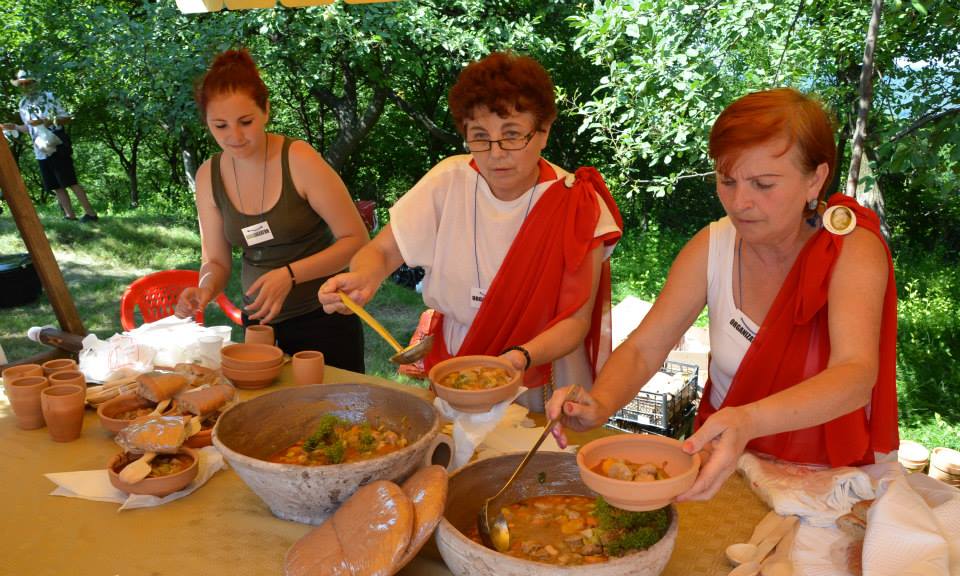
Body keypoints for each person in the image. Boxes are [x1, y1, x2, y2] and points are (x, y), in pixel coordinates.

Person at [547, 87, 899, 500]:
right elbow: (645, 347)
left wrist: (748, 420)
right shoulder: (712, 247)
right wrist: (600, 402)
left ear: (815, 178)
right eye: (727, 180)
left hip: (830, 479)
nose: (739, 202)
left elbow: (854, 375)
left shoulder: (850, 248)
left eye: (763, 184)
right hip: (725, 472)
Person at [318, 52, 623, 411]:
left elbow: (575, 321)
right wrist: (364, 277)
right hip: (457, 360)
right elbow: (382, 252)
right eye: (480, 137)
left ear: (543, 131)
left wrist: (518, 358)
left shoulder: (578, 204)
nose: (496, 154)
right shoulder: (448, 181)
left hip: (542, 371)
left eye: (511, 135)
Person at [174, 49, 369, 372]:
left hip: (323, 315)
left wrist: (290, 275)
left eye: (245, 122)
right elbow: (215, 260)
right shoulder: (209, 175)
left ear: (266, 111)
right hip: (259, 323)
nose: (234, 137)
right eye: (220, 126)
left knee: (335, 415)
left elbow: (355, 239)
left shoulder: (299, 159)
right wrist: (205, 288)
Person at [2, 70, 97, 221]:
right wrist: (13, 127)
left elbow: (67, 117)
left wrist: (48, 121)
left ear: (34, 83)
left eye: (28, 82)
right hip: (40, 149)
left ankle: (90, 214)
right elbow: (28, 128)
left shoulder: (49, 97)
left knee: (70, 180)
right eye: (22, 84)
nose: (26, 86)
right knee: (55, 185)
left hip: (56, 143)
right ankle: (69, 215)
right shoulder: (23, 104)